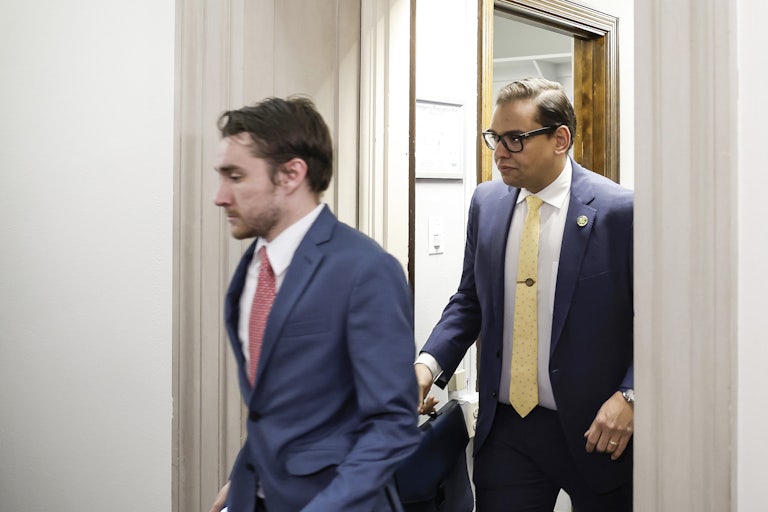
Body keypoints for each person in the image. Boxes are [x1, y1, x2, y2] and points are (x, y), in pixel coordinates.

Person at [415, 78, 634, 511]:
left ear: (560, 139)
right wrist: (425, 366)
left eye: (515, 139)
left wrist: (632, 395)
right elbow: (469, 301)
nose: (499, 152)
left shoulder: (619, 212)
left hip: (597, 429)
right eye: (495, 138)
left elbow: (655, 320)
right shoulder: (487, 203)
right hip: (507, 433)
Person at [209, 96, 420, 512]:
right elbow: (274, 404)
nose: (220, 196)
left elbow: (392, 424)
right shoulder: (253, 266)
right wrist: (244, 478)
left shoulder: (366, 270)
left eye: (235, 176)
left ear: (291, 174)